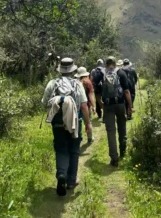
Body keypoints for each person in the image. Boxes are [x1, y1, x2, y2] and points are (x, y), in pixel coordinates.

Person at [41, 57, 91, 196]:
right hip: (75, 122)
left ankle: (61, 174)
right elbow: (84, 105)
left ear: (60, 70)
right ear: (73, 69)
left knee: (61, 149)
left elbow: (45, 102)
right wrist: (88, 123)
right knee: (74, 149)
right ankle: (71, 180)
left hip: (57, 122)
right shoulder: (77, 84)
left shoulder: (52, 83)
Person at [93, 56, 133, 167]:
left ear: (106, 64)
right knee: (122, 128)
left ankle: (114, 159)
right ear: (115, 64)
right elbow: (126, 91)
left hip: (108, 106)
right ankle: (123, 151)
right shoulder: (121, 73)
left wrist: (101, 104)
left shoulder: (101, 73)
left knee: (111, 132)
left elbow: (96, 90)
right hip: (120, 104)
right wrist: (130, 106)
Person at [75, 67, 95, 144]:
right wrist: (93, 106)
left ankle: (78, 139)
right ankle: (90, 137)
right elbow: (90, 95)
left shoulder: (75, 82)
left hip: (76, 107)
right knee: (88, 121)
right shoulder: (88, 82)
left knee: (78, 123)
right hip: (86, 106)